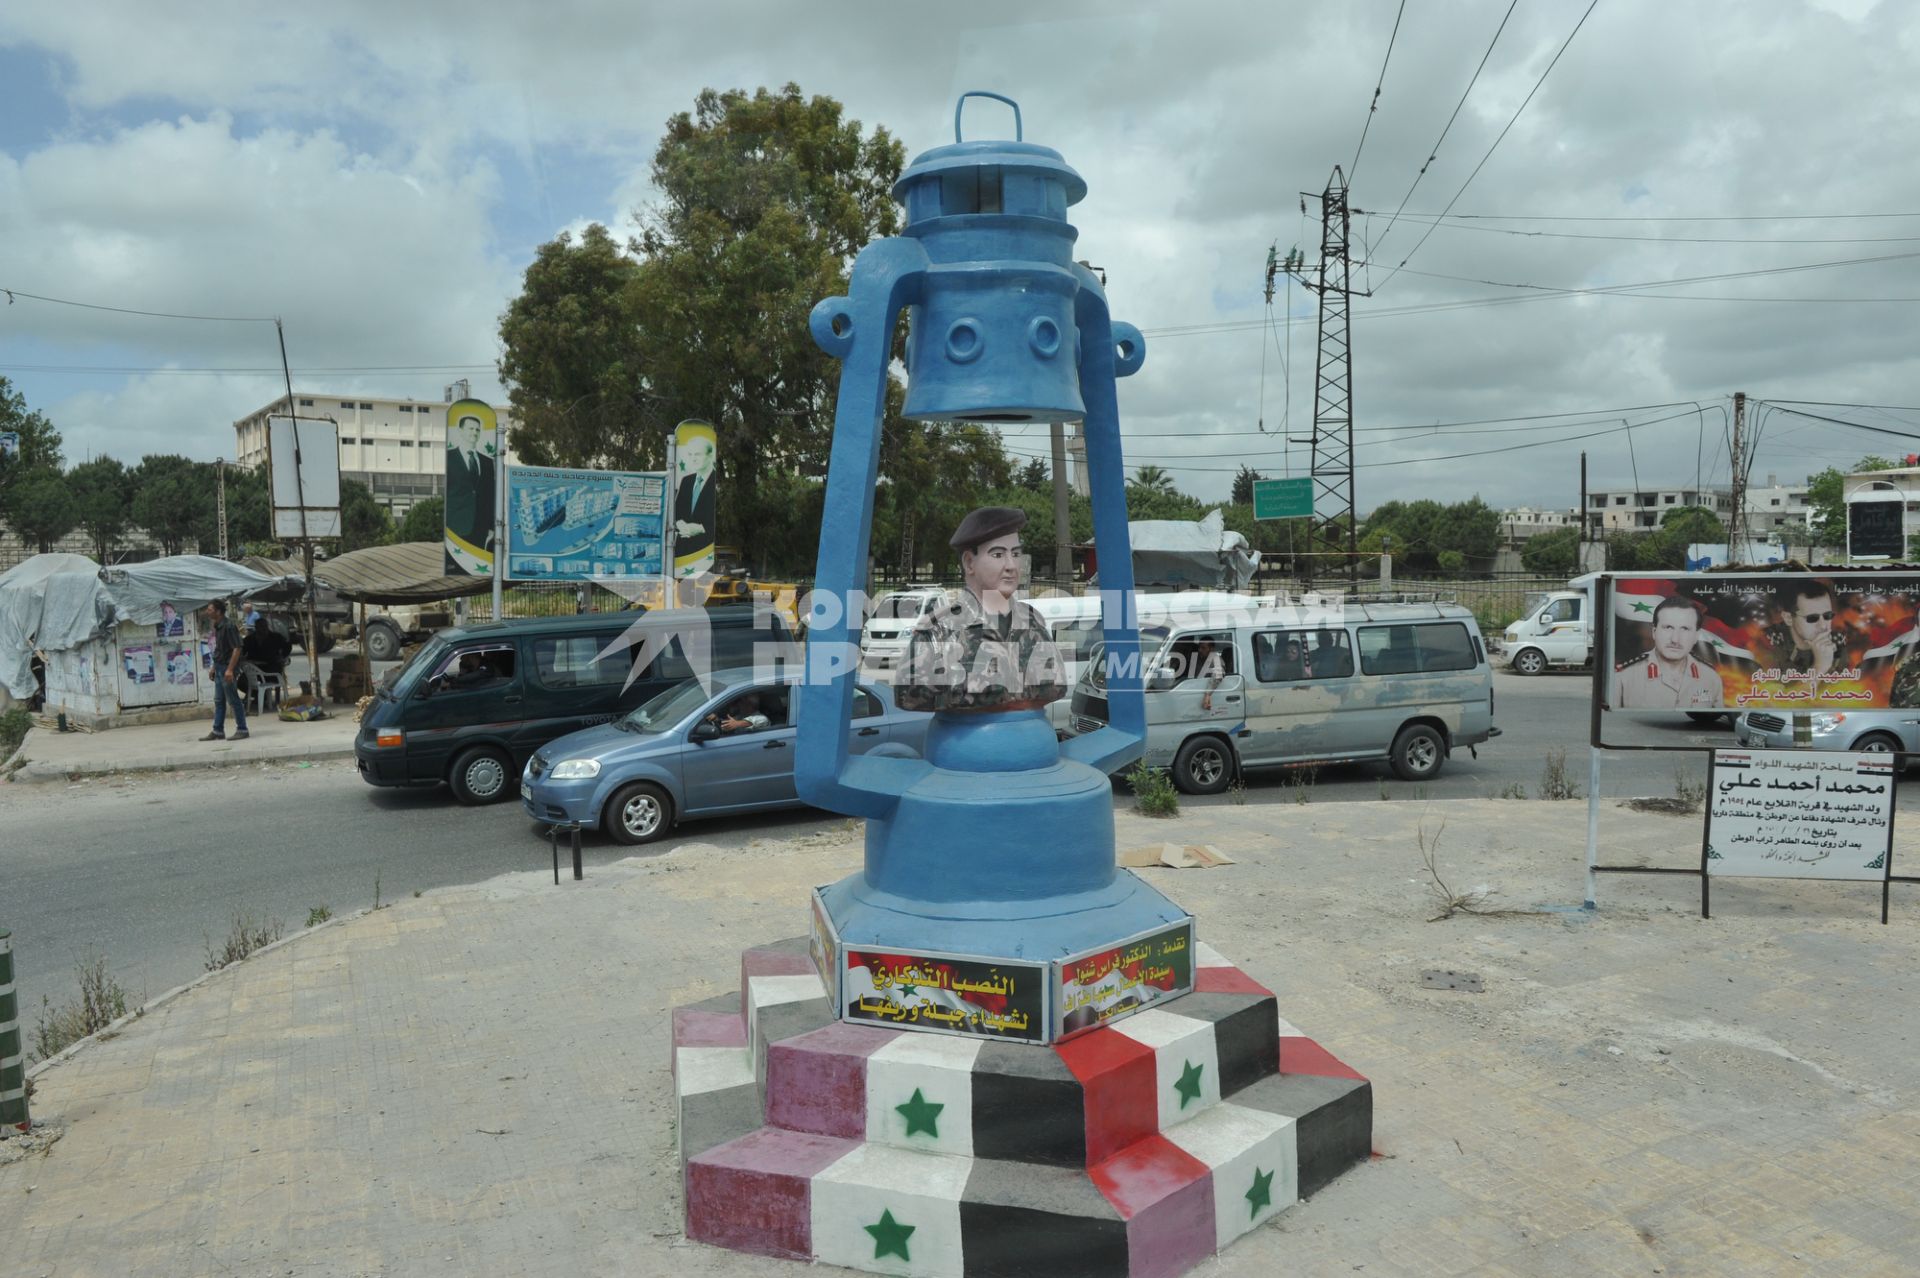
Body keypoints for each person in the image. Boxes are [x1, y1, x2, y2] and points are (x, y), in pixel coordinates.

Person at [897, 506, 1067, 713]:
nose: (1011, 565)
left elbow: (1057, 685)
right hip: (968, 741)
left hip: (1034, 738)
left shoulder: (1033, 620)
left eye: (1016, 554)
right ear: (969, 563)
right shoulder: (939, 630)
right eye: (998, 555)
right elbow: (909, 696)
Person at [1612, 594, 1724, 709]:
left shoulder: (1711, 678)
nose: (1675, 639)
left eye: (1685, 629)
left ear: (1696, 636)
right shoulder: (1624, 677)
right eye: (1668, 628)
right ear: (1654, 632)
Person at [1759, 581, 1861, 678]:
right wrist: (1820, 667)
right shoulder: (1767, 641)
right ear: (1788, 618)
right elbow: (1777, 694)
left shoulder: (1837, 642)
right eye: (1812, 618)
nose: (1823, 626)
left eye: (1827, 616)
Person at [445, 414, 496, 564]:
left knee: (476, 568)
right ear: (460, 430)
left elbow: (489, 496)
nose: (474, 432)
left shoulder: (487, 462)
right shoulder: (449, 458)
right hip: (455, 528)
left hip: (480, 528)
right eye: (471, 428)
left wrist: (491, 526)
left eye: (478, 430)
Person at [201, 598, 249, 741]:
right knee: (219, 700)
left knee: (233, 700)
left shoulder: (228, 626)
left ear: (219, 611)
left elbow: (237, 648)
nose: (207, 612)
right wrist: (214, 667)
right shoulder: (218, 625)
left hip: (227, 668)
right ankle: (218, 730)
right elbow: (220, 649)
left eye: (210, 610)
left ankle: (242, 729)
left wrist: (229, 670)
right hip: (220, 667)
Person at [673, 431, 718, 570]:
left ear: (710, 456)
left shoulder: (717, 482)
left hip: (706, 555)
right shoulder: (686, 481)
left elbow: (726, 521)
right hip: (683, 554)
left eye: (697, 454)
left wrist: (700, 528)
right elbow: (676, 512)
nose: (693, 459)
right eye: (690, 455)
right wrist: (681, 525)